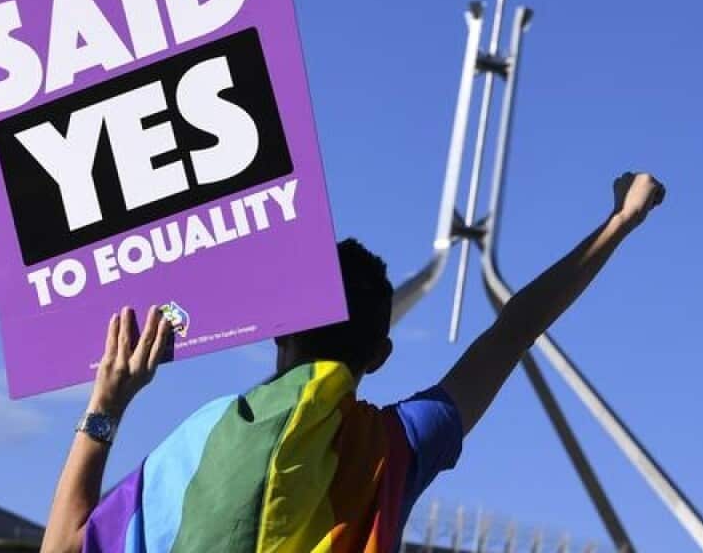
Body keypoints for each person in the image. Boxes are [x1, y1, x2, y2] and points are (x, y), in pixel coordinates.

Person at [41, 172, 666, 553]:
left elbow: (65, 547)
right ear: (381, 352)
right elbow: (514, 332)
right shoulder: (392, 451)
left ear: (279, 330)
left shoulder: (204, 441)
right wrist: (620, 222)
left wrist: (106, 406)